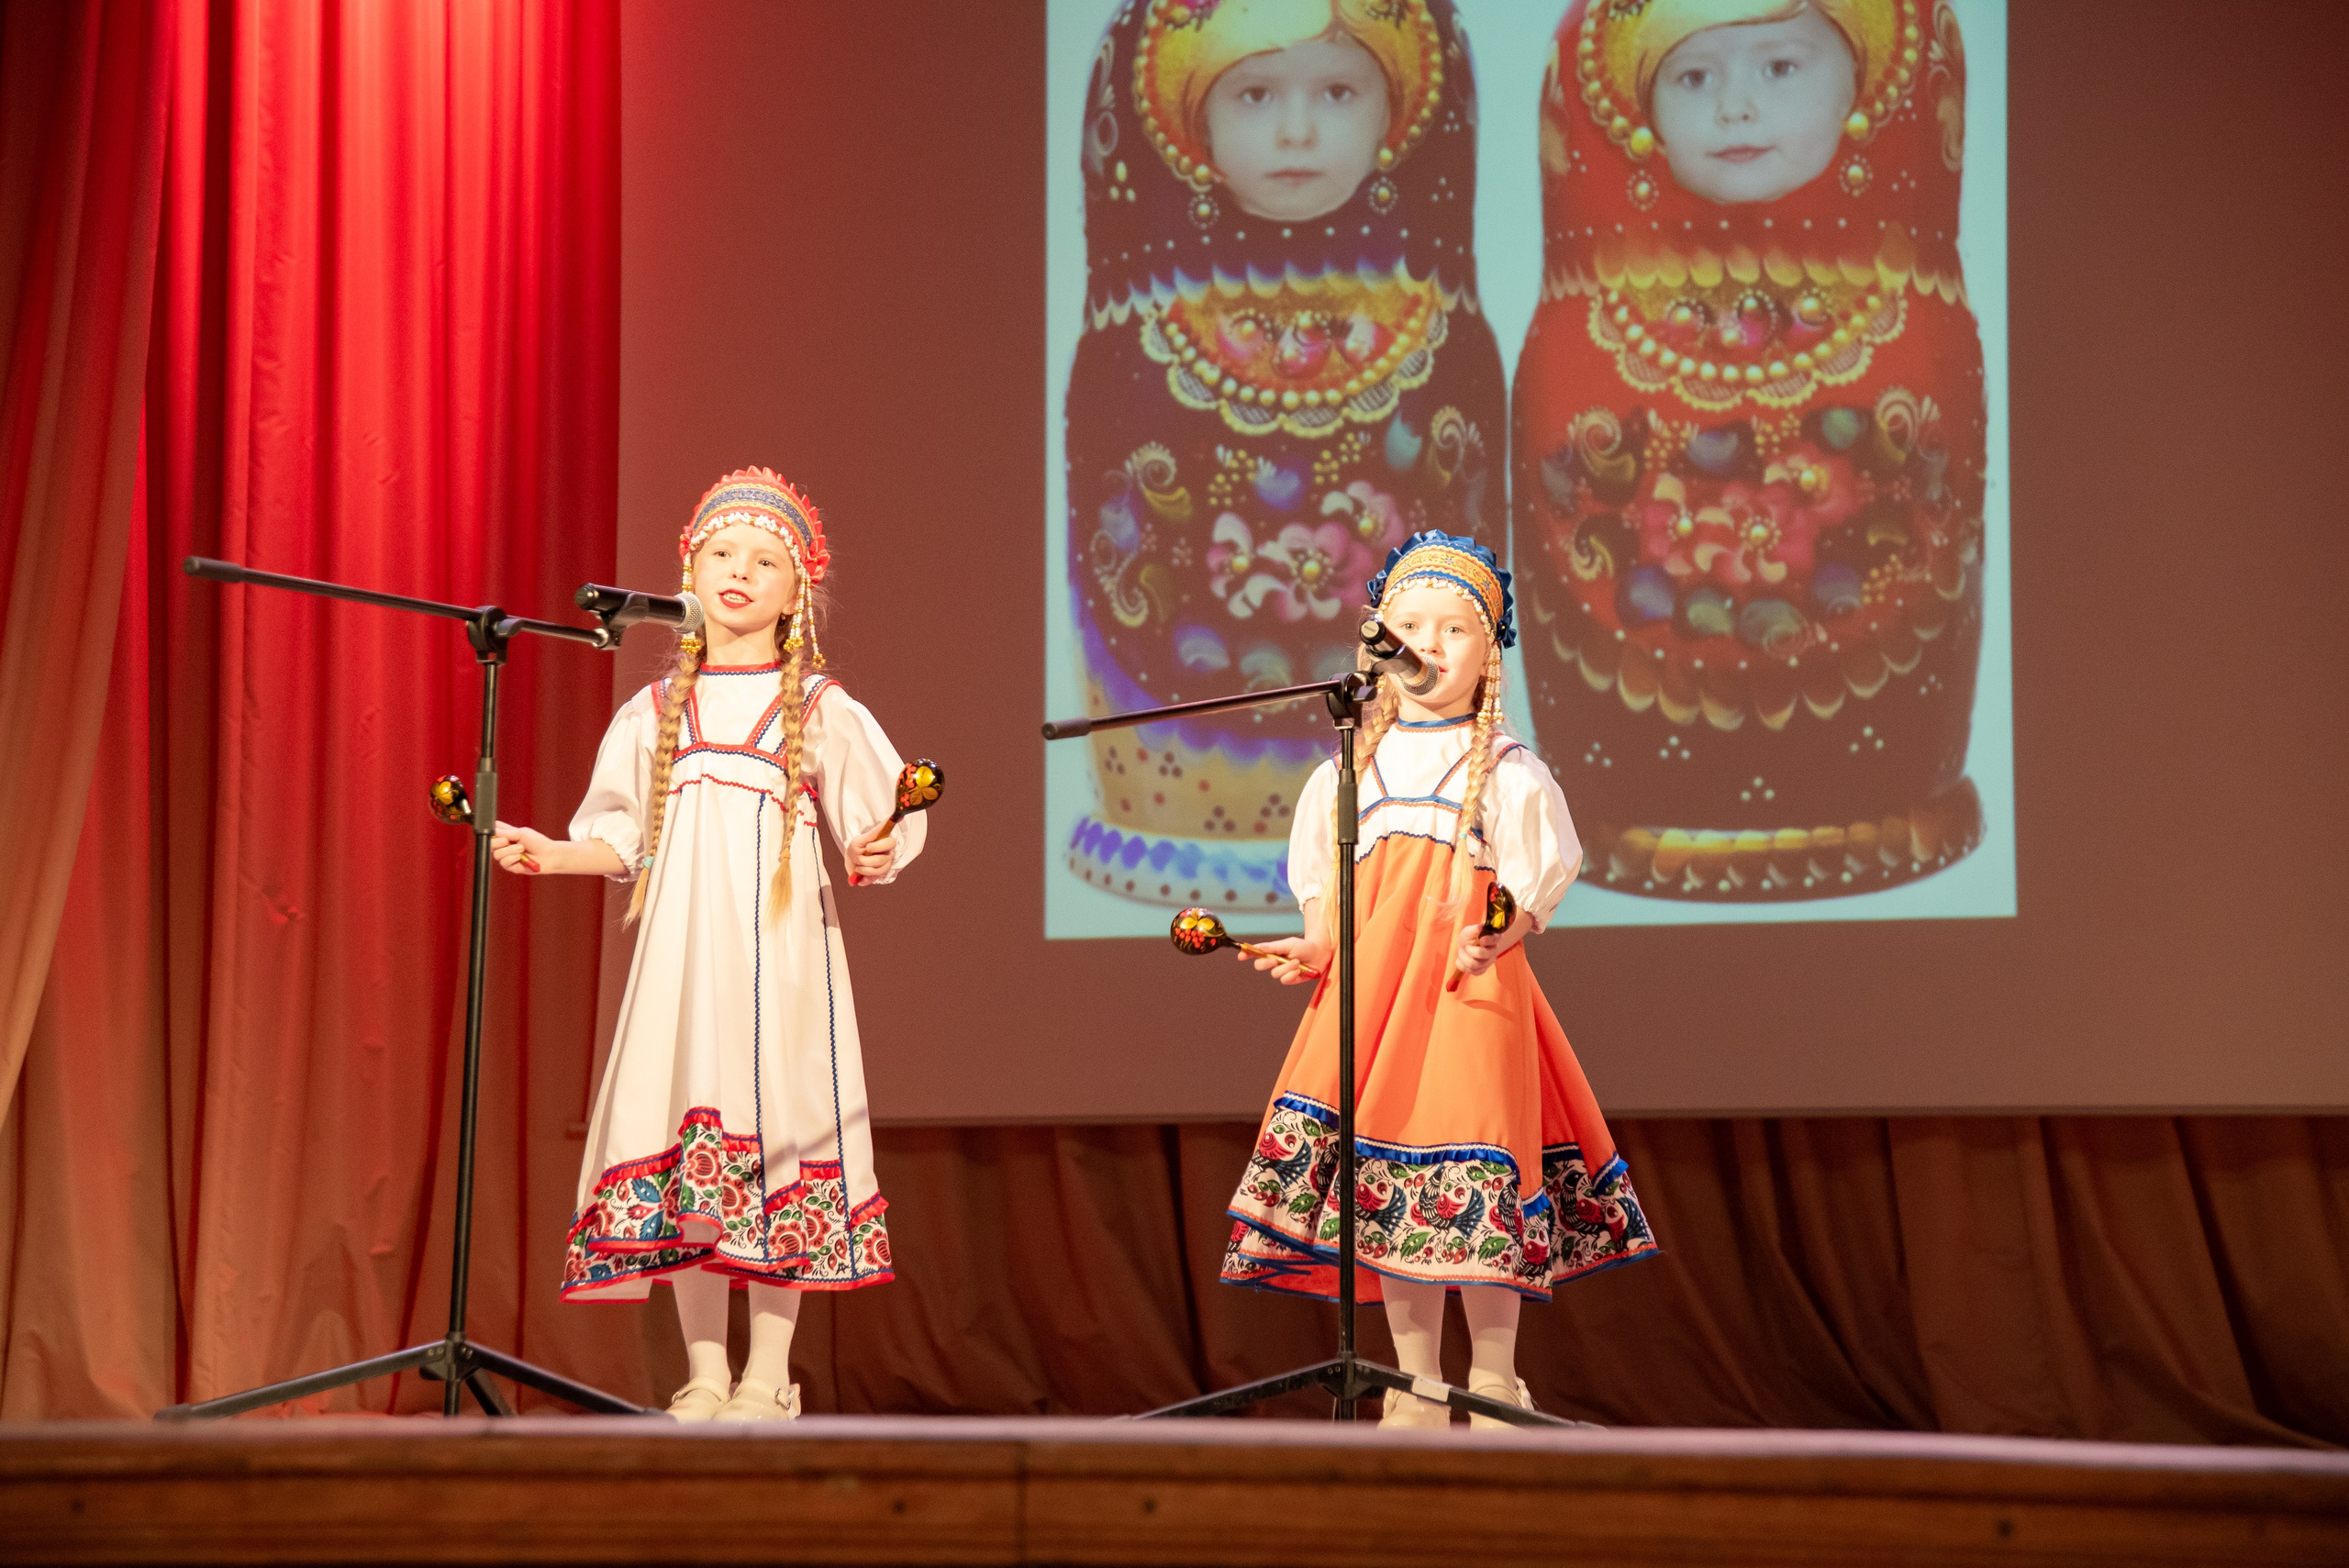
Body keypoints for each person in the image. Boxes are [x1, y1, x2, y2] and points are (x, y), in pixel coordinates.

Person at [1512, 0, 1989, 905]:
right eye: (1693, 77)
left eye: (1779, 69)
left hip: (1890, 795)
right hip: (1624, 803)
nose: (1736, 108)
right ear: (1627, 104)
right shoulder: (1581, 317)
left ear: (1873, 86)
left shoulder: (1920, 309)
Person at [490, 468, 924, 1422]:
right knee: (693, 1130)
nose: (739, 571)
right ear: (689, 568)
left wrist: (883, 840)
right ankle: (702, 1369)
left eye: (765, 560)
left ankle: (771, 1372)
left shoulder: (818, 703)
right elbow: (622, 836)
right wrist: (555, 854)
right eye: (722, 553)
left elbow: (879, 818)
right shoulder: (653, 712)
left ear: (796, 588)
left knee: (781, 1130)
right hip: (686, 962)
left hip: (779, 958)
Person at [1059, 0, 1507, 918]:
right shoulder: (1127, 337)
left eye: (1337, 91)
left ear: (1400, 114)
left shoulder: (1448, 330)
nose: (1296, 130)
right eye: (1255, 92)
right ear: (1186, 121)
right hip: (1168, 803)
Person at [1222, 529, 1658, 1428]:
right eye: (1408, 623)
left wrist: (1502, 926)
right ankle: (1415, 1378)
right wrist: (1312, 946)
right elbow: (1329, 898)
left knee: (1478, 1167)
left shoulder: (1505, 769)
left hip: (1470, 1000)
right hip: (1374, 1004)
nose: (1426, 642)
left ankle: (1493, 1377)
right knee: (1387, 1181)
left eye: (1452, 627)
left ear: (1488, 648)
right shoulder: (1350, 769)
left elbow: (1540, 875)